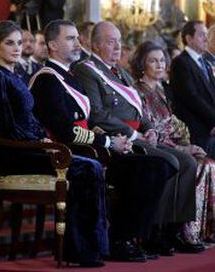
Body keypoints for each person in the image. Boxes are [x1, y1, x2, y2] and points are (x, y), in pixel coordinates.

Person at [30, 20, 175, 261]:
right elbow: (66, 131)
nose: (77, 43)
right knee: (149, 168)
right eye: (70, 39)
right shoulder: (47, 79)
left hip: (90, 148)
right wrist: (108, 143)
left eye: (77, 38)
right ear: (53, 45)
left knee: (159, 166)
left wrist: (115, 140)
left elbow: (87, 120)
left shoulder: (70, 77)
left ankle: (125, 236)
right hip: (68, 153)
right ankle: (120, 240)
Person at [0, 20, 108, 267]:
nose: (17, 48)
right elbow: (9, 127)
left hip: (33, 149)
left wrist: (44, 139)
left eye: (19, 43)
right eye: (10, 43)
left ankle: (91, 247)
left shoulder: (14, 74)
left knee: (90, 165)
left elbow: (29, 119)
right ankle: (80, 250)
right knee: (86, 168)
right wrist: (40, 142)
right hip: (17, 156)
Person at [73, 21, 202, 254]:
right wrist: (135, 133)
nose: (117, 47)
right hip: (116, 139)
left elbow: (138, 108)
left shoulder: (121, 73)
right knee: (170, 162)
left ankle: (171, 229)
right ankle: (149, 232)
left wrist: (150, 128)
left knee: (188, 163)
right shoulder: (86, 69)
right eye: (111, 42)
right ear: (96, 44)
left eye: (119, 42)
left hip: (139, 135)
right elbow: (98, 113)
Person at [132, 41, 215, 245]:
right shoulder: (138, 91)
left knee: (208, 163)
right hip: (151, 145)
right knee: (192, 162)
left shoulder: (162, 91)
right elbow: (153, 130)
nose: (160, 65)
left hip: (172, 144)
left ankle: (190, 230)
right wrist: (184, 147)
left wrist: (187, 144)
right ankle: (170, 229)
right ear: (142, 64)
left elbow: (175, 127)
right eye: (153, 60)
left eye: (162, 60)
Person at [171, 21, 215, 159]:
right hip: (196, 129)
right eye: (202, 35)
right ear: (189, 38)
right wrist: (213, 121)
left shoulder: (205, 62)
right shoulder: (181, 62)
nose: (206, 39)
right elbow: (192, 97)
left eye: (207, 35)